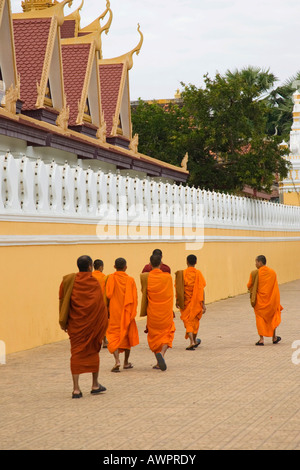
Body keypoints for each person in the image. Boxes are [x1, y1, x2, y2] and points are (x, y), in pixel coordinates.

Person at [59, 255, 108, 398]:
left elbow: (62, 300)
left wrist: (63, 320)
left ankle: (76, 389)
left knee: (76, 353)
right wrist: (102, 324)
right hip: (92, 326)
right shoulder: (94, 282)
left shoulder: (69, 281)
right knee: (93, 351)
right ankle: (94, 384)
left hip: (76, 325)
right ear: (90, 267)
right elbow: (100, 306)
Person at [140, 253, 175, 371]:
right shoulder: (168, 277)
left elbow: (143, 292)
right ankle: (163, 354)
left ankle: (158, 361)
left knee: (154, 336)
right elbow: (170, 293)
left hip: (152, 312)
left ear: (149, 264)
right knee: (167, 333)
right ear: (161, 264)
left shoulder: (146, 277)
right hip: (165, 311)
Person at [105, 258, 139, 372]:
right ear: (126, 267)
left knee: (113, 335)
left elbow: (109, 294)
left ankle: (117, 361)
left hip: (115, 311)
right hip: (127, 312)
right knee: (127, 336)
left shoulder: (111, 278)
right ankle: (125, 362)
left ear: (114, 266)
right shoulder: (130, 280)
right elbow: (134, 298)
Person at [247, 255, 283, 346]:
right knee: (272, 317)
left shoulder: (255, 273)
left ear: (260, 262)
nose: (255, 264)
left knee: (260, 319)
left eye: (256, 262)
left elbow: (249, 285)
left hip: (260, 301)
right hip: (271, 300)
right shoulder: (273, 273)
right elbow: (275, 287)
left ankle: (261, 339)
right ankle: (274, 338)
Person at [175, 254, 206, 350]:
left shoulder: (182, 274)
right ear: (196, 262)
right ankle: (194, 340)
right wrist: (203, 304)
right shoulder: (198, 274)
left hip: (185, 302)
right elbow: (202, 289)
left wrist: (177, 300)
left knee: (188, 321)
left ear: (186, 262)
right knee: (195, 321)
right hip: (197, 302)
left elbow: (178, 289)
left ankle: (192, 341)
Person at [92, 259, 108, 348]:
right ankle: (104, 340)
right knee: (103, 323)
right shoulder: (104, 277)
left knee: (93, 322)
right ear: (101, 267)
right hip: (102, 303)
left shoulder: (90, 276)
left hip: (91, 303)